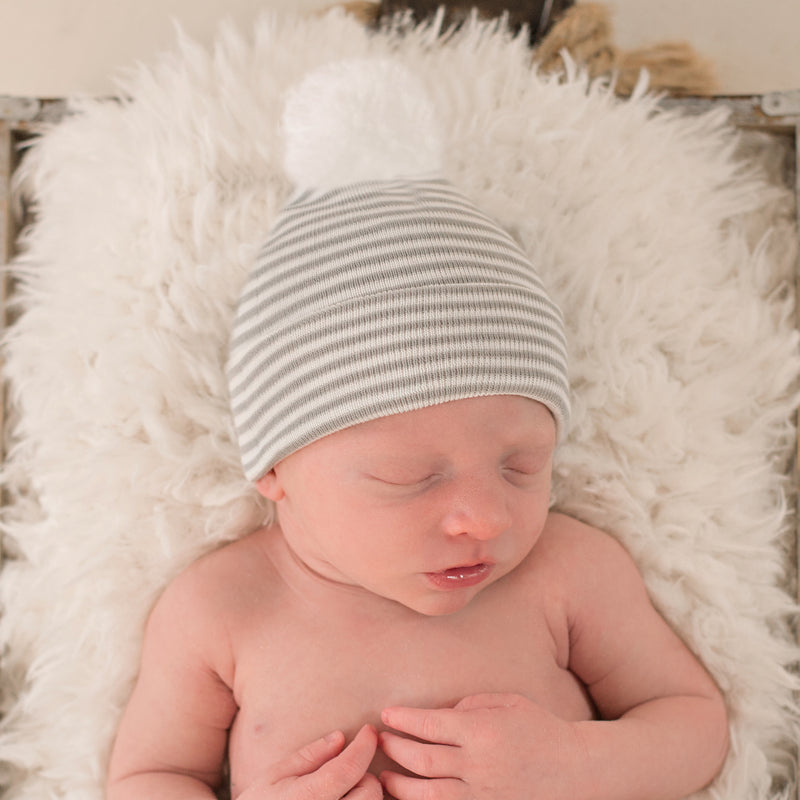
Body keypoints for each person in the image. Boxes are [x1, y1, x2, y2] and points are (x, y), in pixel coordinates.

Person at [106, 58, 729, 800]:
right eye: (410, 478)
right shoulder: (221, 611)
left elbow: (695, 724)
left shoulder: (568, 575)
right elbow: (150, 776)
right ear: (274, 468)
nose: (485, 517)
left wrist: (575, 765)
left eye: (522, 465)